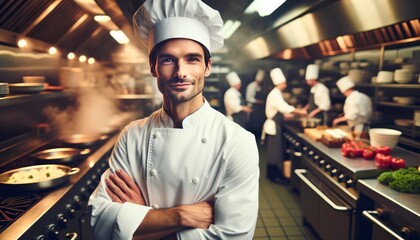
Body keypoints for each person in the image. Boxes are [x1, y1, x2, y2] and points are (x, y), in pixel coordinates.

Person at [88, 0, 260, 239]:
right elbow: (100, 222)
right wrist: (181, 216)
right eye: (168, 59)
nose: (181, 72)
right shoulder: (132, 135)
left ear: (207, 67)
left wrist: (138, 217)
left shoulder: (237, 142)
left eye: (192, 59)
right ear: (153, 67)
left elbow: (234, 236)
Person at [262, 68, 306, 184]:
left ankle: (272, 174)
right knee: (274, 153)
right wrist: (299, 111)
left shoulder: (276, 93)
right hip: (273, 127)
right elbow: (284, 107)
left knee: (274, 152)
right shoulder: (275, 94)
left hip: (275, 125)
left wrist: (289, 115)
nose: (285, 85)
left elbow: (282, 108)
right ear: (279, 83)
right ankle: (273, 176)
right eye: (284, 83)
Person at [246, 69, 266, 141]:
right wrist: (259, 101)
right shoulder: (251, 86)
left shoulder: (259, 86)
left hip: (258, 110)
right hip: (252, 108)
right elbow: (249, 98)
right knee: (252, 126)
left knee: (258, 125)